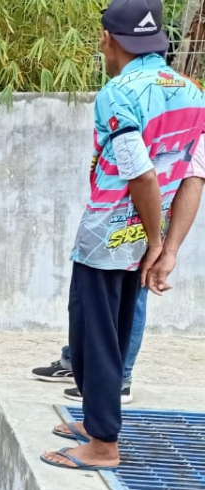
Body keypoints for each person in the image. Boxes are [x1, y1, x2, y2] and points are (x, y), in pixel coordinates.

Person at [42, 0, 205, 471]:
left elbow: (141, 174)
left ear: (107, 38)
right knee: (112, 331)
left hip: (109, 235)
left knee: (94, 336)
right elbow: (194, 175)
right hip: (147, 239)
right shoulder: (192, 92)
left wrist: (155, 241)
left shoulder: (118, 94)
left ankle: (102, 445)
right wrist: (168, 247)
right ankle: (97, 422)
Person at [30, 132, 205, 404]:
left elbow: (189, 180)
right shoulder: (159, 101)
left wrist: (166, 247)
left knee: (132, 297)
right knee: (95, 300)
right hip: (115, 211)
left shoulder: (190, 111)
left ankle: (118, 379)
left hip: (141, 216)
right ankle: (80, 362)